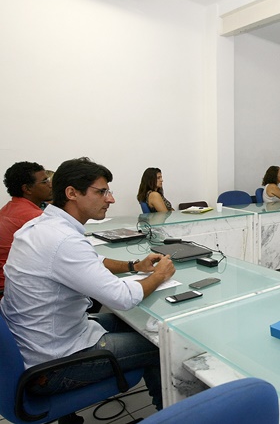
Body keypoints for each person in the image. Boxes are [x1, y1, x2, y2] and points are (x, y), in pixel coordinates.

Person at [0, 157, 176, 423]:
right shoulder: (63, 239)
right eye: (102, 192)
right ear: (72, 193)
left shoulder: (42, 227)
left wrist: (134, 266)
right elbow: (122, 297)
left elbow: (92, 261)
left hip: (37, 342)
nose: (111, 199)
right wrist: (160, 275)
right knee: (161, 345)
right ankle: (170, 418)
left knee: (133, 323)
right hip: (53, 364)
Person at [0, 162, 53, 299]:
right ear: (27, 189)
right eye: (45, 181)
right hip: (12, 288)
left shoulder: (10, 207)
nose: (50, 185)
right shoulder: (34, 217)